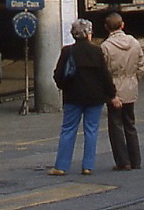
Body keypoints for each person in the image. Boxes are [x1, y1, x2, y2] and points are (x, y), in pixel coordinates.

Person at [49, 18, 120, 176]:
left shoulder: (68, 52)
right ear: (88, 33)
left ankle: (61, 166)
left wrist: (64, 86)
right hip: (95, 98)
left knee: (68, 130)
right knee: (91, 130)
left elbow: (58, 75)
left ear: (74, 35)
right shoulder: (97, 51)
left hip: (73, 97)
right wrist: (112, 95)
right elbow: (105, 76)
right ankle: (88, 166)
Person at [101, 12, 144, 171]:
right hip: (130, 87)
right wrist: (134, 81)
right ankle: (136, 160)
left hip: (114, 90)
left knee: (115, 126)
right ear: (122, 25)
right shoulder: (134, 42)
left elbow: (103, 72)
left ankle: (123, 161)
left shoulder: (105, 47)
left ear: (106, 28)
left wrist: (109, 93)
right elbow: (141, 66)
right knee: (130, 125)